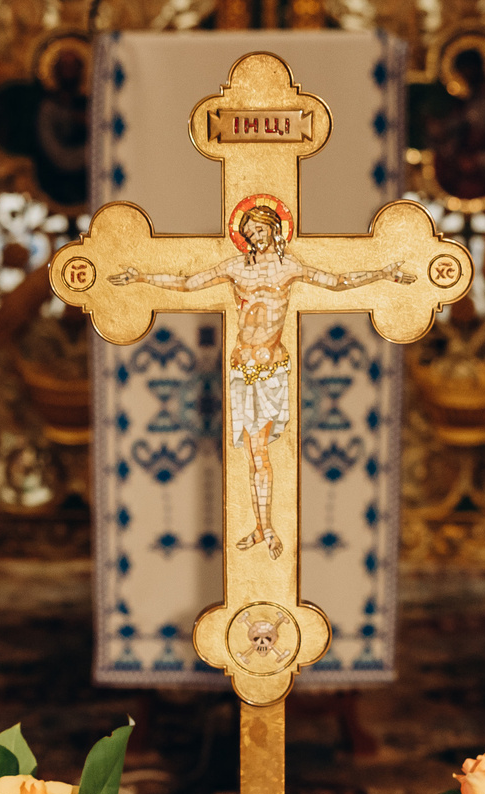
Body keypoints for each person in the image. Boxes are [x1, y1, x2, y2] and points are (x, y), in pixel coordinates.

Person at [112, 203, 413, 557]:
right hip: (243, 366)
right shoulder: (235, 267)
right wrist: (142, 277)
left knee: (264, 455)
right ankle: (263, 528)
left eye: (260, 229)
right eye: (249, 232)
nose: (255, 236)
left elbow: (337, 282)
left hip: (270, 368)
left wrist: (382, 273)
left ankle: (265, 528)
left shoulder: (289, 267)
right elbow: (187, 282)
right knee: (256, 455)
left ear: (273, 228)